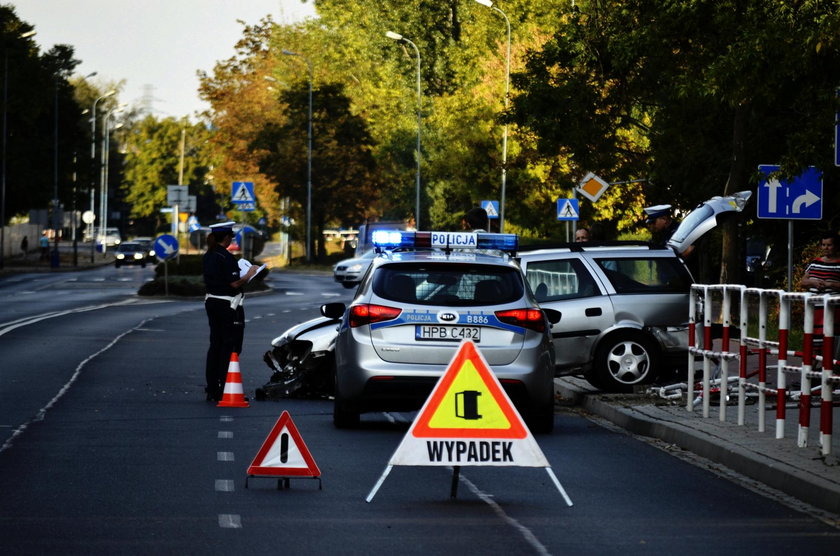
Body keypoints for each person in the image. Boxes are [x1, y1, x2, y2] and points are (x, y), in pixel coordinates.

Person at [203, 221, 258, 402]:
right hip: (227, 305)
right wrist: (249, 274)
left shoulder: (209, 255)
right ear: (226, 238)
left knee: (215, 344)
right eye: (230, 237)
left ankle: (212, 387)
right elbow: (233, 283)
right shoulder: (225, 257)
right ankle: (224, 387)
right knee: (229, 345)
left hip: (211, 301)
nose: (231, 240)